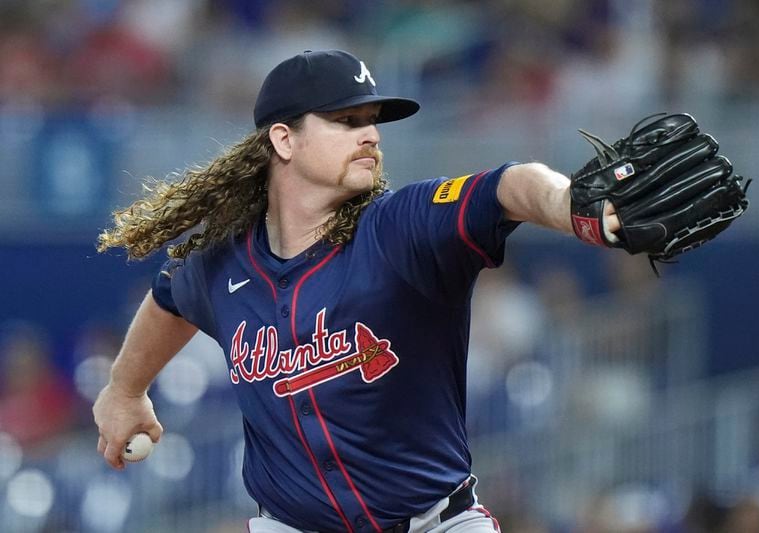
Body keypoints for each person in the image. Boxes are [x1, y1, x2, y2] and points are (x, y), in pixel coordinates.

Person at [92, 49, 620, 533]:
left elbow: (510, 185)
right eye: (347, 122)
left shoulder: (401, 226)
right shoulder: (222, 262)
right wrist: (124, 388)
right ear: (283, 139)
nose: (371, 135)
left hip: (435, 524)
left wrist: (568, 204)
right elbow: (169, 299)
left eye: (371, 122)